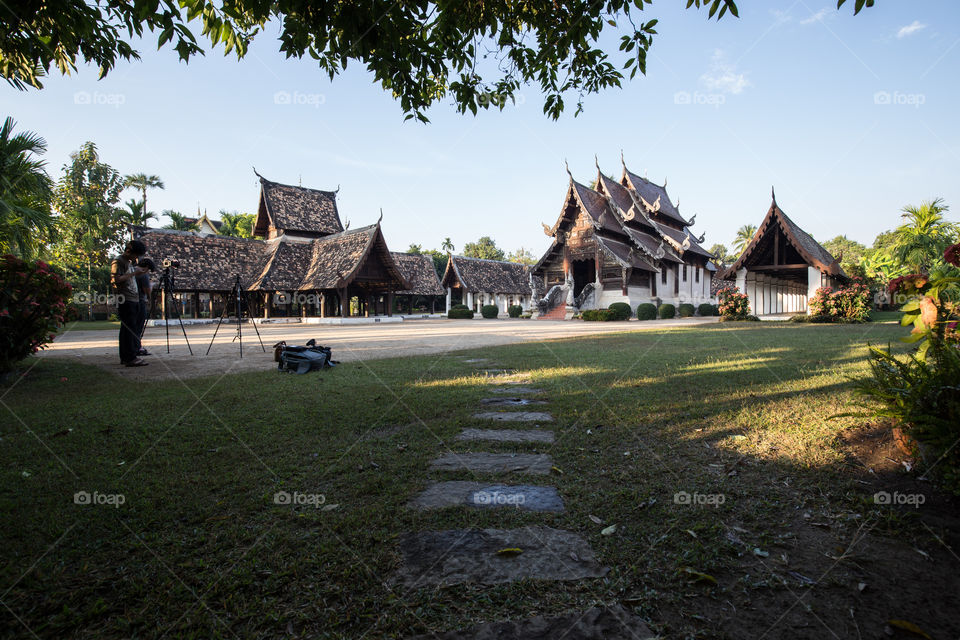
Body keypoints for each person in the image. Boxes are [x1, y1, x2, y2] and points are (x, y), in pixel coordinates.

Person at [110, 240, 149, 367]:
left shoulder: (128, 262)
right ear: (128, 251)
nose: (136, 258)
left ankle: (129, 355)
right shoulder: (118, 261)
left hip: (133, 298)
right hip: (125, 299)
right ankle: (129, 357)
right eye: (136, 255)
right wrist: (134, 273)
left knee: (132, 328)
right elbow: (115, 279)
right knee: (129, 329)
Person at [135, 257, 156, 356]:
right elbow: (147, 290)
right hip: (139, 301)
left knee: (133, 326)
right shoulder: (143, 275)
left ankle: (134, 347)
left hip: (132, 301)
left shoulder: (132, 272)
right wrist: (150, 285)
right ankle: (137, 347)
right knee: (139, 326)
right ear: (147, 267)